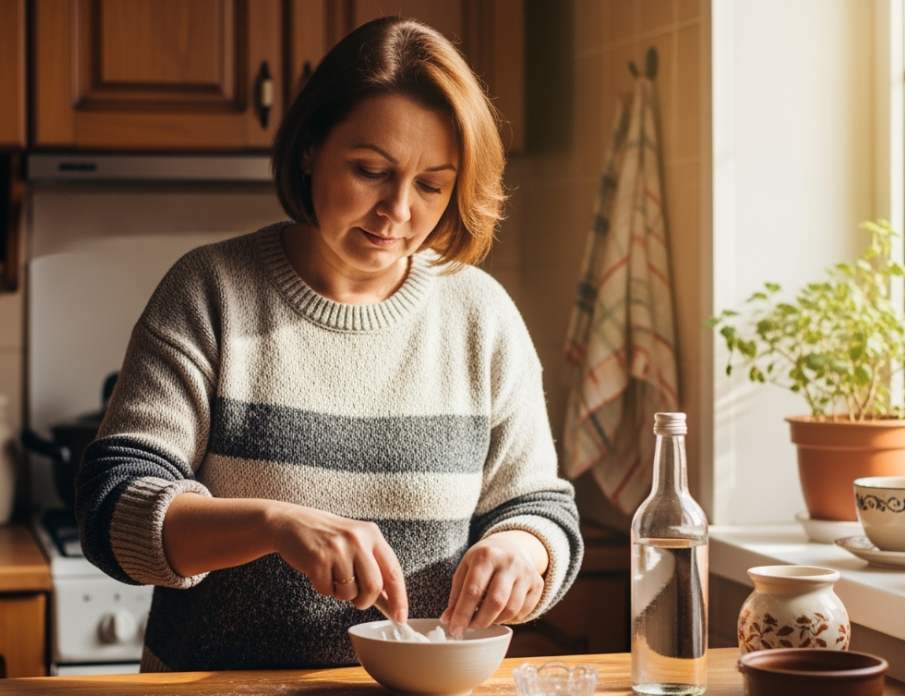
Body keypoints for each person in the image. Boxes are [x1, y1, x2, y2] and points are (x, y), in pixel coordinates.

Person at [76, 16, 583, 672]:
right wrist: (273, 525)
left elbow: (539, 504)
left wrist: (524, 550)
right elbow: (110, 506)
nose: (399, 210)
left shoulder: (479, 314)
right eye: (371, 170)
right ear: (311, 148)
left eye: (432, 184)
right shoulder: (211, 291)